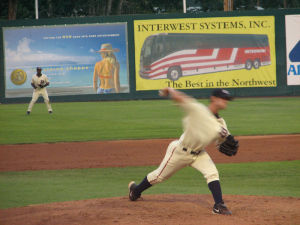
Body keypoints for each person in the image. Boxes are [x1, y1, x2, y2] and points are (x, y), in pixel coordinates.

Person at [128, 87, 239, 215]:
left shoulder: (221, 124)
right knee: (158, 176)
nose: (226, 101)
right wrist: (169, 90)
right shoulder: (198, 110)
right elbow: (181, 98)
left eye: (227, 99)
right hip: (180, 151)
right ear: (213, 99)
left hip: (199, 153)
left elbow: (222, 144)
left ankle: (219, 205)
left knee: (212, 173)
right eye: (223, 98)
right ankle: (135, 191)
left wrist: (224, 145)